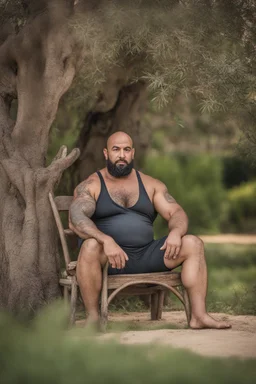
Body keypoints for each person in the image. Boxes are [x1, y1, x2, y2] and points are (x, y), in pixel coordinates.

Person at [69, 131, 231, 329]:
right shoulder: (92, 185)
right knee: (91, 246)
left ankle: (199, 316)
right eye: (116, 149)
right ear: (106, 153)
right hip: (109, 259)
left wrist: (175, 233)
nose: (121, 155)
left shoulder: (150, 184)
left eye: (126, 150)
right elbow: (76, 219)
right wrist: (106, 240)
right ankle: (93, 318)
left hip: (146, 255)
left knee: (193, 243)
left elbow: (176, 212)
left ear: (133, 153)